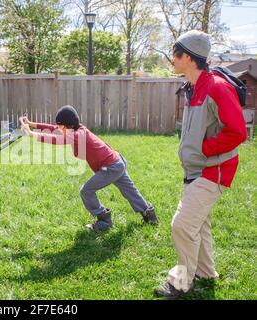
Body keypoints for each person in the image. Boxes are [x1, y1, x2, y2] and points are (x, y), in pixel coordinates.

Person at [154, 30, 248, 298]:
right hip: (195, 170)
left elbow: (237, 132)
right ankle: (206, 272)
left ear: (189, 57)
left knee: (182, 226)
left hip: (213, 170)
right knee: (199, 223)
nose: (172, 59)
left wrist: (204, 149)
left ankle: (181, 282)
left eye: (175, 54)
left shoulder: (217, 87)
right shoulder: (194, 87)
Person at [20, 105, 158, 232]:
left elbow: (58, 140)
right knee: (130, 191)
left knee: (86, 191)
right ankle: (149, 215)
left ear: (69, 125)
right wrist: (32, 124)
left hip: (111, 167)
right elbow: (53, 129)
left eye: (61, 126)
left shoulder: (78, 135)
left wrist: (32, 134)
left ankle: (104, 219)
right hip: (117, 162)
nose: (59, 129)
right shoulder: (75, 130)